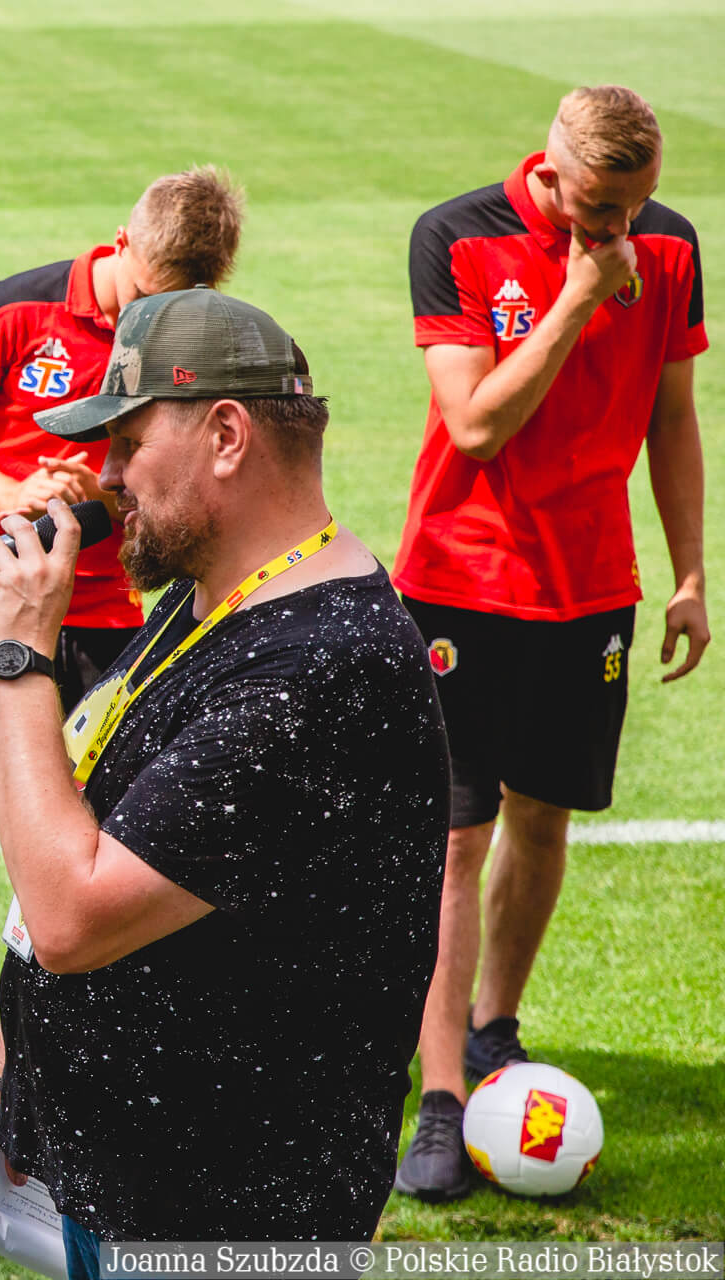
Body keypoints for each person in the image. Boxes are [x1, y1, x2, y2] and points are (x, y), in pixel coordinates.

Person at [0, 289, 446, 1266]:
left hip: (226, 1216)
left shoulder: (320, 670)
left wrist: (17, 658)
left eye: (128, 442)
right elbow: (107, 815)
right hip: (127, 1185)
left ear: (225, 435)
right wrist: (14, 1066)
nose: (104, 477)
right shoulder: (216, 594)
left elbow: (72, 915)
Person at [390, 85, 709, 1201]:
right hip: (462, 584)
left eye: (637, 204)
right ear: (552, 169)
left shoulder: (671, 248)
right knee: (455, 838)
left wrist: (689, 572)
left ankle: (494, 1030)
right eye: (600, 204)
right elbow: (475, 424)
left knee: (542, 818)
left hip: (591, 590)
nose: (621, 225)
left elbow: (672, 415)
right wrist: (577, 297)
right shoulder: (457, 238)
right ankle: (440, 1098)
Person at [0, 168, 244, 1044]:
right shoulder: (19, 309)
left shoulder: (198, 339)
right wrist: (6, 491)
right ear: (121, 245)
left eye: (181, 305)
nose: (158, 320)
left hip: (116, 617)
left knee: (106, 841)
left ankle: (73, 1030)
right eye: (148, 297)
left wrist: (111, 498)